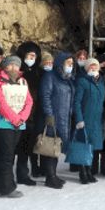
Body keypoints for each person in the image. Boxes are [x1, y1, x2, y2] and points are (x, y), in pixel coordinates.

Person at [0, 56, 33, 198]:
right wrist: (14, 118)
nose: (14, 68)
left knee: (3, 155)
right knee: (7, 156)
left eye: (16, 65)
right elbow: (0, 102)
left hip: (19, 124)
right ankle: (7, 188)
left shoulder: (22, 81)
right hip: (3, 123)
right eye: (10, 65)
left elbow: (29, 101)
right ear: (5, 66)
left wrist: (22, 118)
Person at [38, 52, 76, 189]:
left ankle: (53, 174)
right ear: (60, 63)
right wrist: (49, 114)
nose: (70, 66)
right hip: (53, 118)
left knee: (56, 147)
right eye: (68, 63)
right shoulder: (50, 76)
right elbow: (45, 96)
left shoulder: (68, 78)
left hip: (65, 118)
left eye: (72, 64)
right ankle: (50, 177)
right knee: (50, 146)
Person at [73, 58, 105, 184]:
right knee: (83, 146)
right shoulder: (82, 81)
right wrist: (79, 119)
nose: (93, 68)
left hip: (97, 120)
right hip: (85, 119)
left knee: (92, 147)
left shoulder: (101, 82)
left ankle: (89, 171)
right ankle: (83, 172)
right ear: (86, 68)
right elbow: (77, 102)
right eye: (91, 66)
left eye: (95, 66)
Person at [15, 41, 43, 181]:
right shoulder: (18, 71)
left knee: (33, 142)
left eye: (34, 56)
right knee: (23, 145)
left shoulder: (38, 71)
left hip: (36, 112)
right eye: (29, 56)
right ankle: (22, 173)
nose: (31, 59)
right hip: (22, 113)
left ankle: (35, 168)